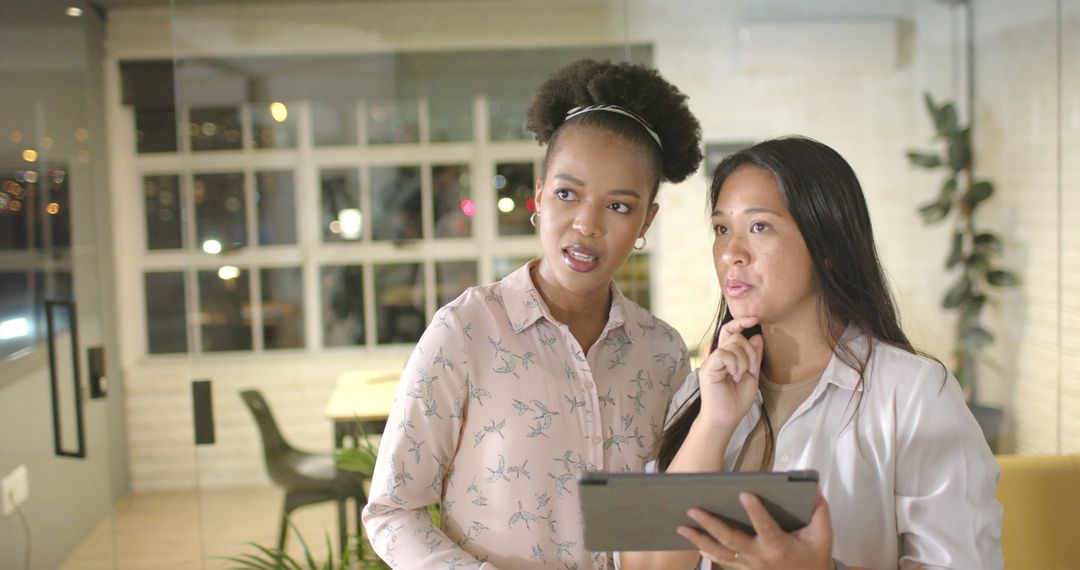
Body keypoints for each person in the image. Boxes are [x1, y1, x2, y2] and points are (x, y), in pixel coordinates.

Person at [362, 58, 703, 570]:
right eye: (568, 194)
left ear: (645, 221)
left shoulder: (663, 352)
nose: (586, 224)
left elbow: (668, 518)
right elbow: (392, 511)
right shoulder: (466, 331)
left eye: (619, 206)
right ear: (540, 197)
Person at [619, 137, 1003, 570]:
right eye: (722, 229)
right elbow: (644, 565)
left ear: (828, 248)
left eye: (759, 227)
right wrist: (714, 422)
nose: (731, 253)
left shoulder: (914, 393)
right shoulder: (702, 391)